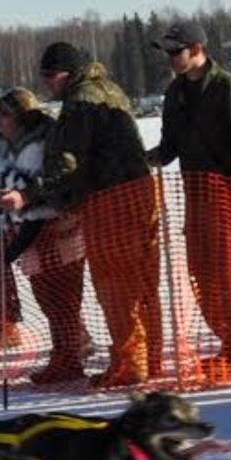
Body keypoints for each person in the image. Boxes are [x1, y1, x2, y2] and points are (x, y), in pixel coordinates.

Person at [39, 40, 162, 388]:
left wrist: (56, 195)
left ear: (68, 72)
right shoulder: (108, 89)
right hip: (137, 191)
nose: (48, 82)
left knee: (115, 283)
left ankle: (129, 363)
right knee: (142, 280)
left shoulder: (80, 101)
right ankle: (149, 356)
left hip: (110, 197)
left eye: (51, 75)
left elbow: (71, 159)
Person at [148, 20, 231, 384]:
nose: (171, 60)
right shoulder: (175, 93)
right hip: (195, 195)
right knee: (202, 272)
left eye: (176, 52)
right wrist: (145, 160)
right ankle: (228, 342)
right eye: (167, 53)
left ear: (197, 49)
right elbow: (169, 146)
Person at [0, 86, 89, 385]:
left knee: (62, 300)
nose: (0, 122)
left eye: (4, 116)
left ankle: (69, 358)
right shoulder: (13, 145)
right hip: (32, 230)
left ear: (19, 118)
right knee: (48, 299)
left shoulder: (43, 144)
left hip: (53, 228)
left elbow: (51, 185)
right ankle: (64, 354)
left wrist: (21, 199)